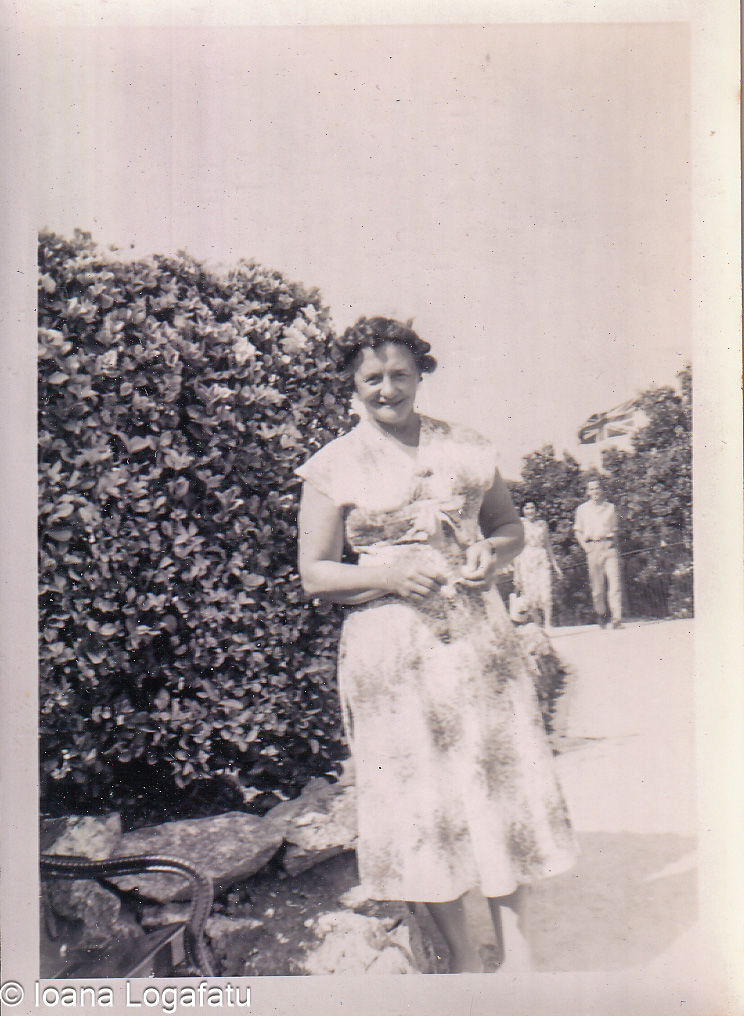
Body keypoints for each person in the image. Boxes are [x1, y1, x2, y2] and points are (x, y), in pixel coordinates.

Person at [296, 317, 577, 973]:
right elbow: (316, 572)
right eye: (372, 378)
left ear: (421, 373)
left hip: (478, 643)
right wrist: (389, 572)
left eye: (400, 373)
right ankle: (462, 955)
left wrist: (492, 551)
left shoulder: (468, 446)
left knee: (498, 783)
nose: (387, 388)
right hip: (389, 653)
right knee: (425, 798)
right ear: (352, 384)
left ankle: (517, 954)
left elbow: (507, 528)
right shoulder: (332, 467)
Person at [574, 478, 623, 628]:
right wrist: (586, 548)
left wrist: (612, 548)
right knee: (597, 587)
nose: (595, 491)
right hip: (592, 547)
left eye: (597, 488)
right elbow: (577, 531)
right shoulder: (582, 509)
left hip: (609, 547)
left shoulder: (610, 507)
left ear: (601, 490)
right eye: (592, 489)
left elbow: (615, 531)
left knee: (614, 584)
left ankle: (617, 618)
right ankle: (601, 614)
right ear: (588, 492)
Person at [511, 502, 563, 629]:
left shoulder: (542, 524)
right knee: (530, 592)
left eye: (532, 508)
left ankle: (548, 623)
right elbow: (516, 547)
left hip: (541, 557)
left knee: (545, 589)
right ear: (523, 510)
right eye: (527, 508)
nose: (530, 511)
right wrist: (516, 569)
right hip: (526, 558)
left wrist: (555, 564)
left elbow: (547, 544)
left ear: (536, 509)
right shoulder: (519, 524)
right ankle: (537, 622)